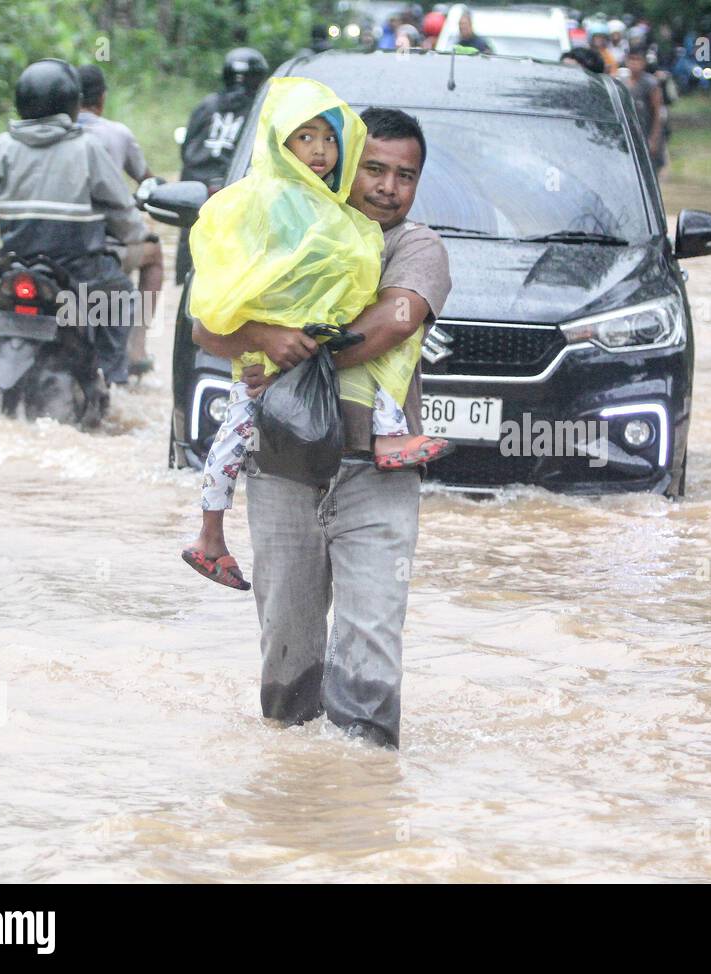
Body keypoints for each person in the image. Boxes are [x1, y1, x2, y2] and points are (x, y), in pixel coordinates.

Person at [192, 107, 451, 749]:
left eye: (406, 175)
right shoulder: (285, 235)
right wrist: (266, 338)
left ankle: (363, 787)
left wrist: (291, 362)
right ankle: (293, 795)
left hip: (375, 473)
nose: (389, 187)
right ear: (340, 163)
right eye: (375, 169)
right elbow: (205, 328)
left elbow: (394, 319)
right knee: (287, 649)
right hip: (281, 469)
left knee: (371, 641)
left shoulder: (415, 246)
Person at [0, 59, 147, 386]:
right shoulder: (87, 147)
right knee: (122, 293)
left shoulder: (2, 146)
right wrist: (136, 234)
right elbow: (123, 211)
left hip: (16, 269)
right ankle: (114, 378)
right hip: (78, 273)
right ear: (71, 103)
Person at [76, 63, 163, 377]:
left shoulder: (49, 139)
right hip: (102, 248)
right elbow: (144, 181)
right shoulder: (115, 134)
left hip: (47, 246)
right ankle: (136, 347)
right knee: (154, 254)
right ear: (101, 99)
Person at [175, 47, 269, 284]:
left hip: (197, 185)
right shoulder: (261, 110)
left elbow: (186, 147)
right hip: (235, 184)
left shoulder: (206, 105)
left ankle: (184, 281)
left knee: (189, 234)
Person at [625, 46, 666, 175]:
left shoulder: (650, 84)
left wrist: (654, 139)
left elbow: (658, 113)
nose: (634, 64)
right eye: (631, 60)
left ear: (644, 63)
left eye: (638, 60)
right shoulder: (622, 82)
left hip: (647, 133)